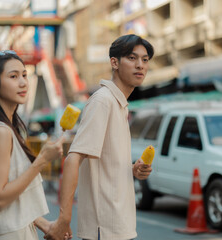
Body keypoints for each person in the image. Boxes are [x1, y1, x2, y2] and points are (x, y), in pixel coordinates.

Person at [45, 34, 154, 240]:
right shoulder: (103, 102)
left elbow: (104, 166)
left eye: (145, 59)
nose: (140, 65)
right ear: (114, 62)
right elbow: (73, 159)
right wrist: (63, 219)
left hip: (118, 226)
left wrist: (133, 169)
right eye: (132, 58)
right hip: (104, 230)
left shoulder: (118, 104)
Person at [0, 50, 68, 240]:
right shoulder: (0, 132)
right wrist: (42, 160)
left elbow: (12, 198)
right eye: (13, 76)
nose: (23, 82)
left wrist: (43, 224)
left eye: (24, 75)